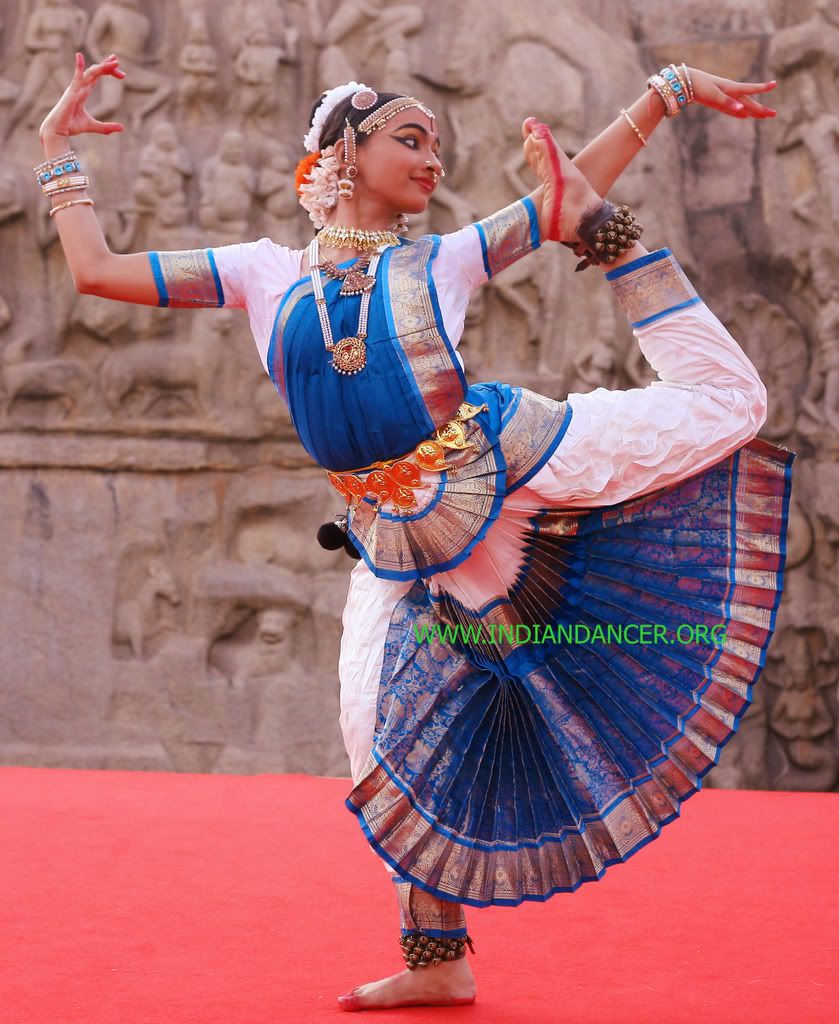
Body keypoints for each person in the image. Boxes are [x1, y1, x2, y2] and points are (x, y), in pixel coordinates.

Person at [37, 54, 791, 1012]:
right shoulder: (262, 274)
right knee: (370, 735)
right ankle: (437, 958)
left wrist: (662, 94)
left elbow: (562, 190)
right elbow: (96, 271)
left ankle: (623, 251)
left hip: (503, 466)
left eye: (437, 142)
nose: (433, 157)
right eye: (410, 137)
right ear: (342, 150)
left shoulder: (445, 258)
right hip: (389, 534)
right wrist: (58, 150)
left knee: (729, 405)